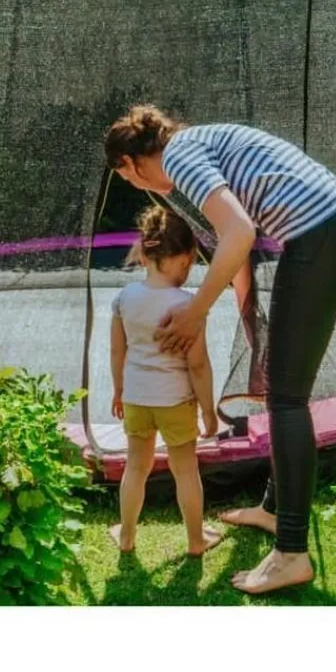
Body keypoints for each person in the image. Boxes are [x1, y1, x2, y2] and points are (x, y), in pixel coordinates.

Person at [103, 104, 336, 594]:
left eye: (127, 179)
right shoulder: (195, 148)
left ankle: (291, 554)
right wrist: (253, 326)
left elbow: (241, 232)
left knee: (287, 398)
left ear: (131, 163)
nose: (137, 187)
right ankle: (274, 510)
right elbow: (238, 247)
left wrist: (196, 309)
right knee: (282, 388)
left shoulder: (179, 155)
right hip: (334, 232)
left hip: (323, 237)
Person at [108, 204, 221, 557]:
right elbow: (198, 365)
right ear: (185, 259)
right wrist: (208, 410)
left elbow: (117, 351)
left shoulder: (124, 299)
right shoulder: (188, 306)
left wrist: (119, 390)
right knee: (185, 470)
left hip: (136, 399)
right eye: (189, 263)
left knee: (135, 467)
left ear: (145, 255)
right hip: (175, 401)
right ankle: (196, 540)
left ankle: (127, 536)